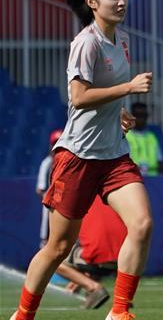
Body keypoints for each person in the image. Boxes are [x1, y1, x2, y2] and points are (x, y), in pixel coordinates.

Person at [10, 0, 154, 320]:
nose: (122, 2)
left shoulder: (121, 39)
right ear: (93, 3)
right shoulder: (85, 43)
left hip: (114, 154)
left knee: (141, 224)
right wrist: (127, 88)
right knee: (58, 247)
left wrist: (121, 109)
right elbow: (78, 96)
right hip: (77, 156)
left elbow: (105, 93)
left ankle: (120, 312)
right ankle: (23, 319)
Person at [35, 128, 110, 309]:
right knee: (61, 251)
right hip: (66, 214)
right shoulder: (53, 163)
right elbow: (43, 190)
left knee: (53, 256)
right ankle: (80, 287)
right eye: (54, 143)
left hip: (68, 214)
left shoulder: (72, 164)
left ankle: (91, 288)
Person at [125, 102, 163, 175]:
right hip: (134, 178)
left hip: (153, 179)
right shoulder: (126, 136)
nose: (141, 118)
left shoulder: (152, 137)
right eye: (138, 115)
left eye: (144, 115)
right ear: (132, 117)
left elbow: (160, 162)